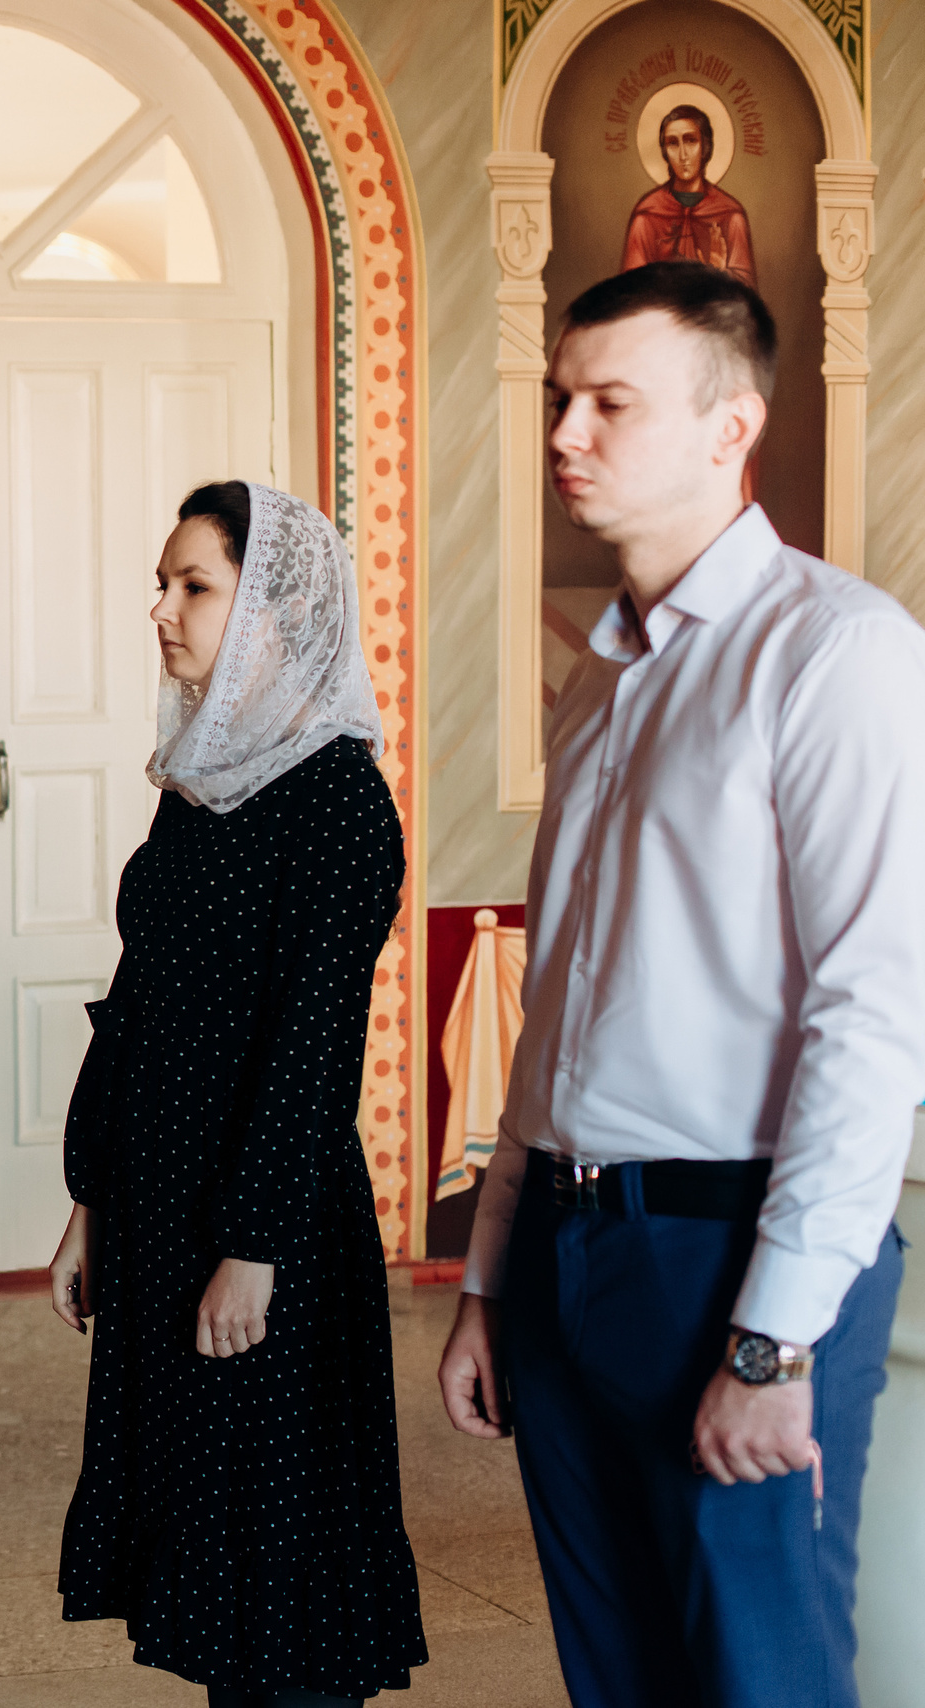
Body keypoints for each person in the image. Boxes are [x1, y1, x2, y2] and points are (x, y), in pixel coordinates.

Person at [436, 261, 925, 1706]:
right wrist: (491, 1280)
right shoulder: (600, 682)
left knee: (757, 1679)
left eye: (609, 404)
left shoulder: (836, 653)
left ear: (731, 429)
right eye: (560, 400)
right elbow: (559, 1018)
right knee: (622, 1679)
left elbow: (872, 1012)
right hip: (576, 1259)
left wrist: (773, 1342)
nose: (565, 434)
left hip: (729, 1257)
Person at [49, 481, 425, 1707]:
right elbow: (137, 994)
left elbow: (312, 1045)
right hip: (161, 1198)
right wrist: (90, 1197)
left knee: (280, 1568)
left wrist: (253, 1247)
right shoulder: (200, 783)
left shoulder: (337, 799)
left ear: (273, 608)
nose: (160, 609)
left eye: (193, 586)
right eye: (162, 584)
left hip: (264, 1226)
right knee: (209, 1565)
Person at [618, 106, 755, 287]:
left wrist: (720, 274)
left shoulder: (730, 215)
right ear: (664, 151)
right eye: (673, 143)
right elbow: (630, 293)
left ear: (705, 146)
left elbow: (748, 300)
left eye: (691, 141)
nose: (683, 155)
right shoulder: (646, 217)